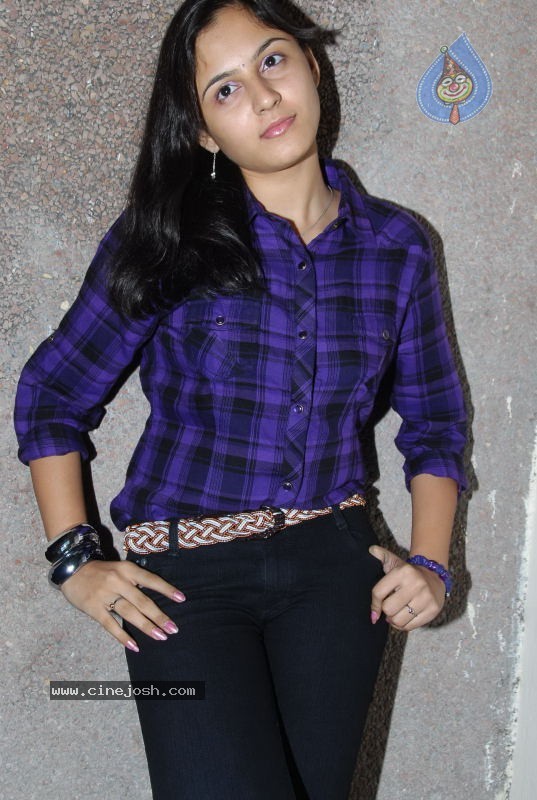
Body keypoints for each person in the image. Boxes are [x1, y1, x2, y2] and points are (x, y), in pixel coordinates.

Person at [14, 1, 467, 798]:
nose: (261, 97)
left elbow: (434, 424)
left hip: (335, 573)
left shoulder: (397, 248)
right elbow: (53, 395)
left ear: (311, 65)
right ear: (200, 131)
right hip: (185, 584)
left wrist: (431, 563)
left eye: (271, 61)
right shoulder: (165, 238)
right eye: (223, 90)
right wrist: (76, 560)